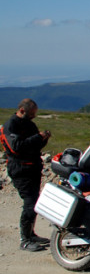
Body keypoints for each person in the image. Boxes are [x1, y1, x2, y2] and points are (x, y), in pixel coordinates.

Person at [1, 99, 51, 251]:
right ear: (22, 110)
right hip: (20, 169)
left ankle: (31, 233)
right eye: (31, 113)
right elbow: (16, 147)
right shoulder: (11, 125)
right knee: (29, 203)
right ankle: (25, 240)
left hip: (33, 167)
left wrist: (43, 138)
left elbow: (34, 145)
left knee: (34, 202)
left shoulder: (30, 124)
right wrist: (37, 137)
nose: (33, 117)